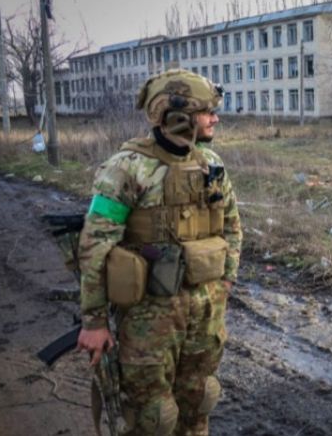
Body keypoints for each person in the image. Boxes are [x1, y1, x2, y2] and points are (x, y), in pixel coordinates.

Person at [76, 69, 242, 435]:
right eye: (207, 111)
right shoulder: (126, 169)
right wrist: (95, 321)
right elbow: (94, 246)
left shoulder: (210, 165)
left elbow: (230, 224)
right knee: (153, 417)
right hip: (148, 319)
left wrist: (226, 278)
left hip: (205, 315)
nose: (215, 118)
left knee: (199, 402)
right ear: (176, 114)